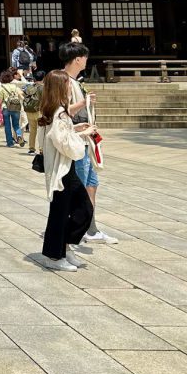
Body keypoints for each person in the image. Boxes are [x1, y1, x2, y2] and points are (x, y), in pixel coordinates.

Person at [38, 69, 95, 272]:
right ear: (61, 87)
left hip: (62, 168)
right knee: (65, 212)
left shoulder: (52, 110)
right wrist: (82, 134)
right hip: (61, 169)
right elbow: (64, 144)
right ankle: (54, 255)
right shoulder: (58, 113)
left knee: (78, 210)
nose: (70, 87)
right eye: (68, 84)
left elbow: (58, 136)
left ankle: (64, 247)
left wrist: (76, 129)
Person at [61, 41, 118, 244]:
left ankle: (90, 228)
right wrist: (84, 102)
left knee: (91, 183)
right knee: (80, 186)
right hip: (77, 140)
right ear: (77, 59)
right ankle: (76, 228)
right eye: (84, 57)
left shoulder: (75, 81)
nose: (86, 60)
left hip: (86, 139)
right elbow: (62, 111)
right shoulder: (64, 80)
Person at [0, 69, 25, 147]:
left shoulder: (1, 87)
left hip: (6, 107)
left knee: (8, 125)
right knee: (16, 125)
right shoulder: (15, 86)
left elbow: (0, 99)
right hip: (16, 107)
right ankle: (19, 135)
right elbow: (20, 94)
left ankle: (10, 143)